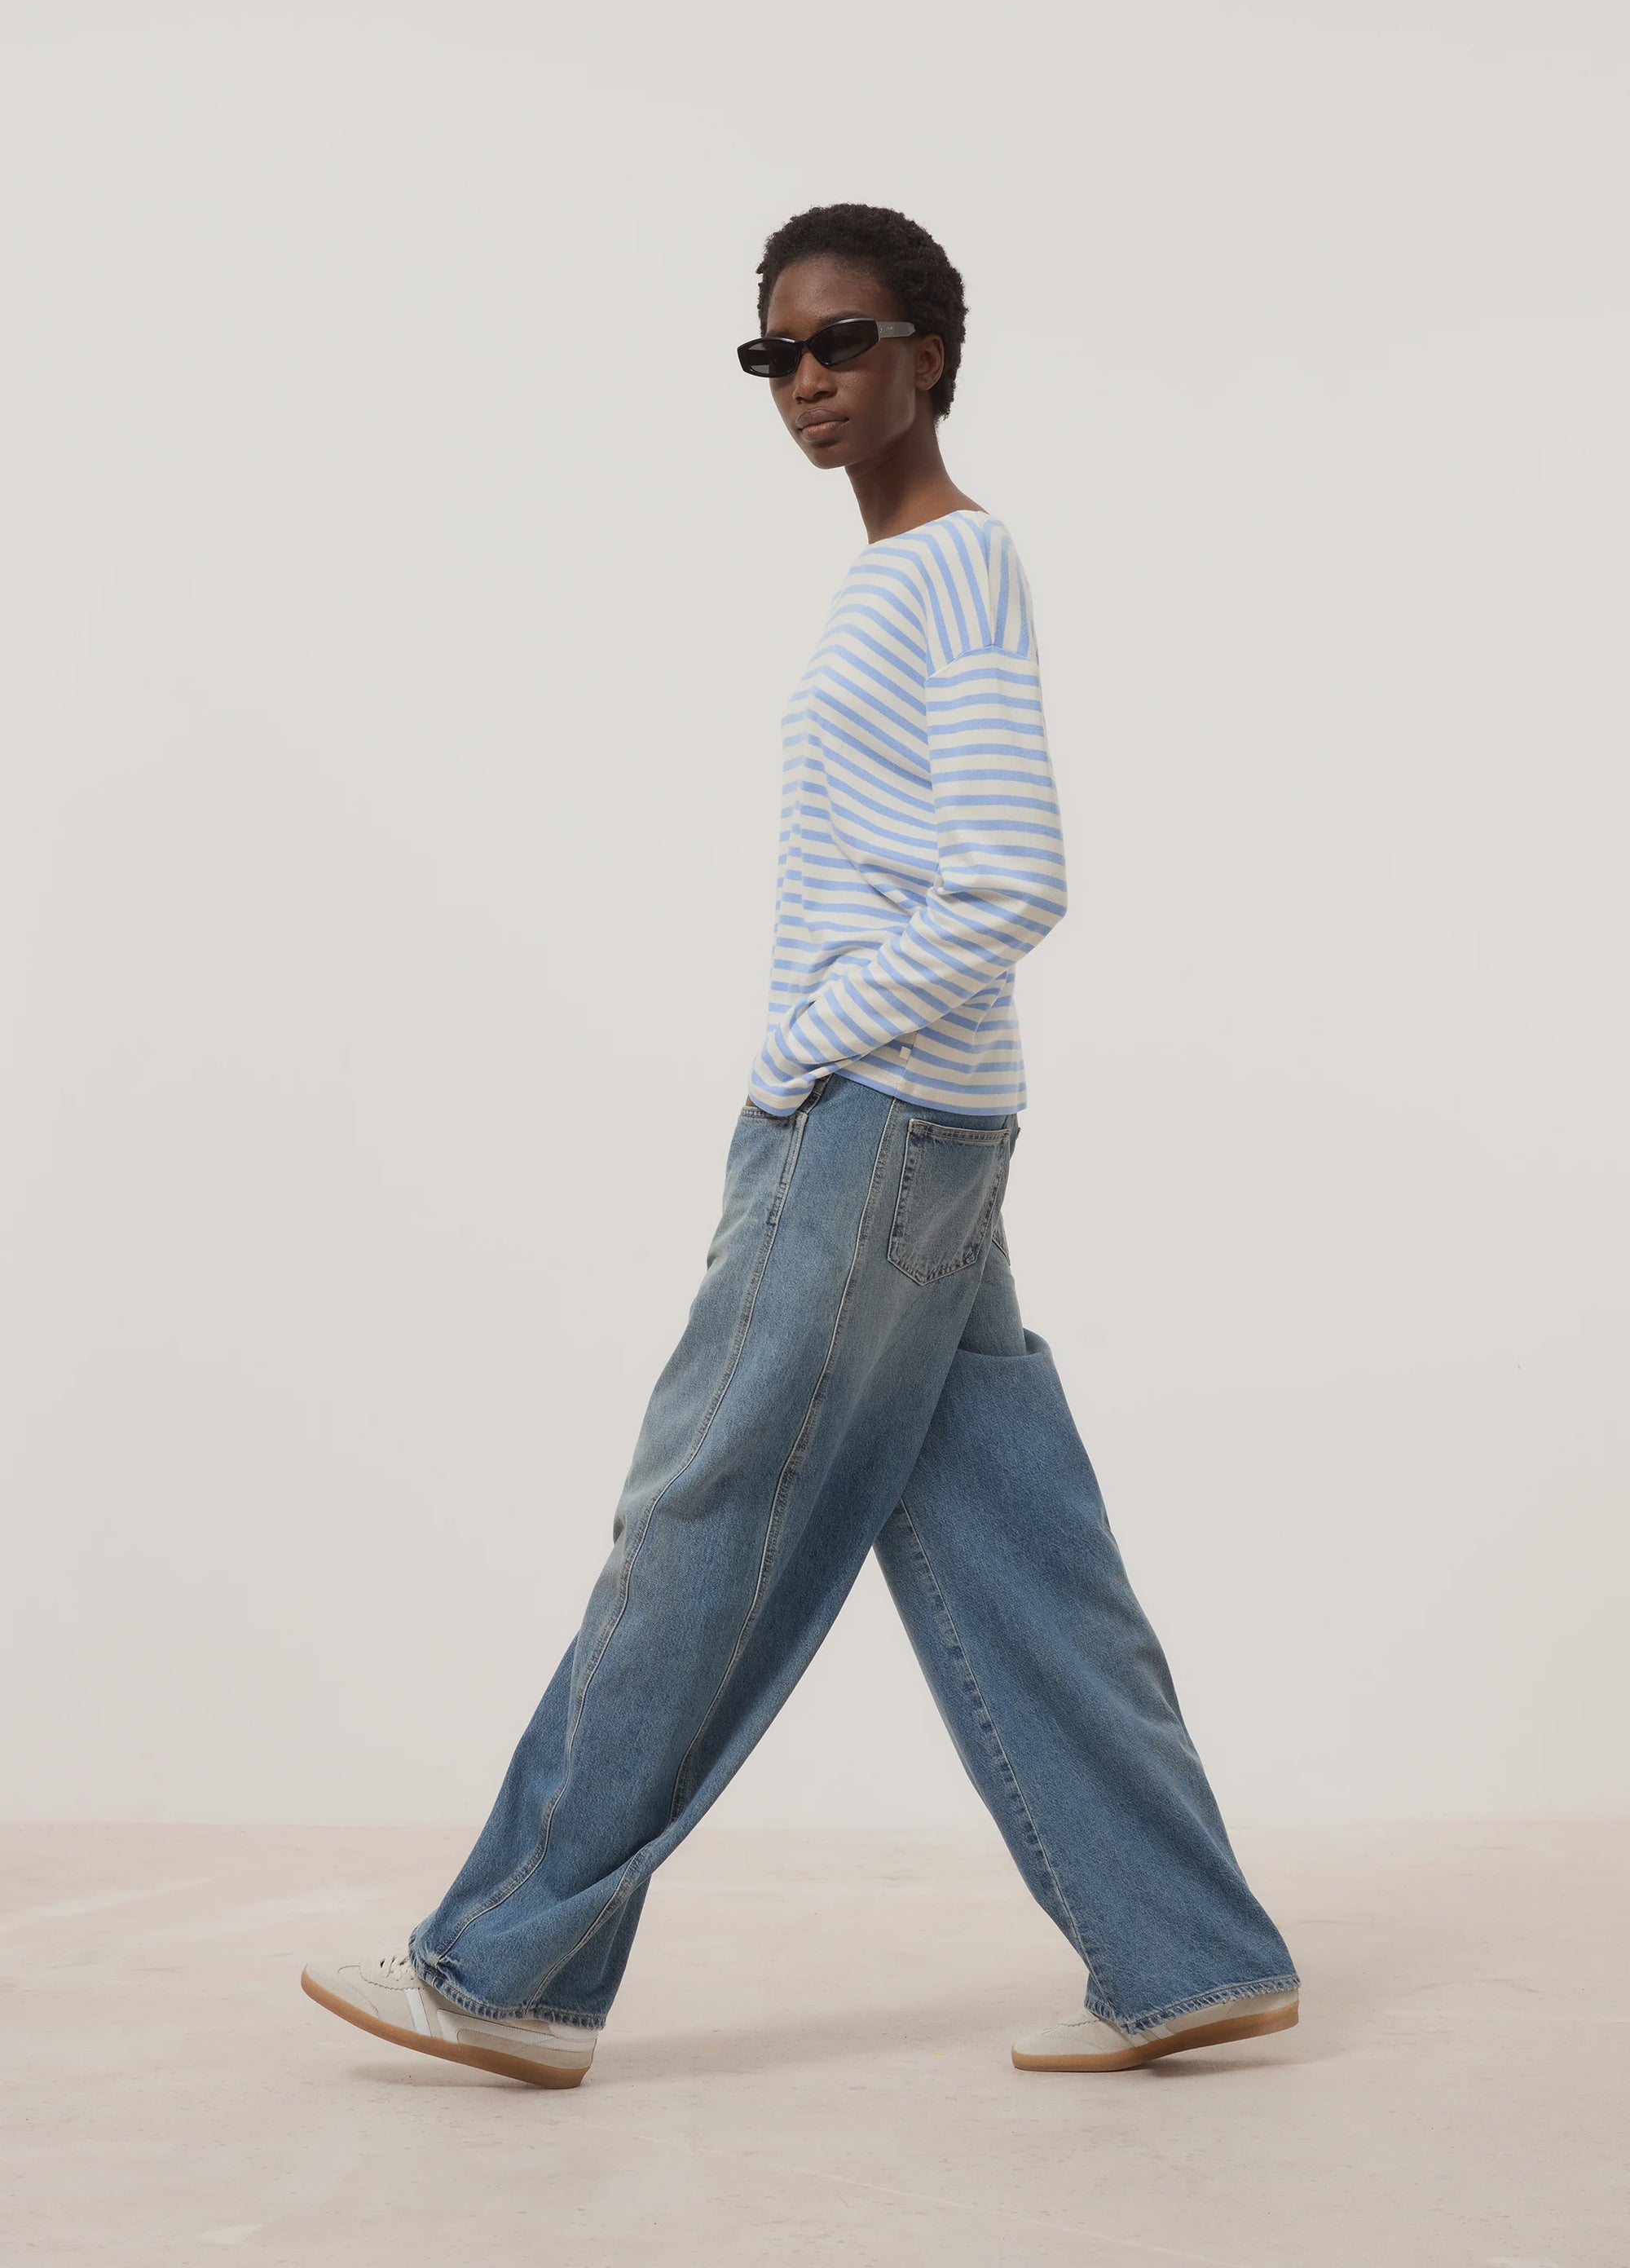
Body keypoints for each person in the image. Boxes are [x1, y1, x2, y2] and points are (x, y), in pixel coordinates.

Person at [302, 202, 1300, 2088]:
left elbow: (1011, 878)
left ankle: (504, 1974)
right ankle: (1185, 1954)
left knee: (700, 1521)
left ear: (933, 352)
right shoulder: (909, 574)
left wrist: (803, 1047)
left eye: (844, 342)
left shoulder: (951, 564)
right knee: (1013, 1550)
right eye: (775, 354)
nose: (808, 381)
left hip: (872, 1127)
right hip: (931, 1125)